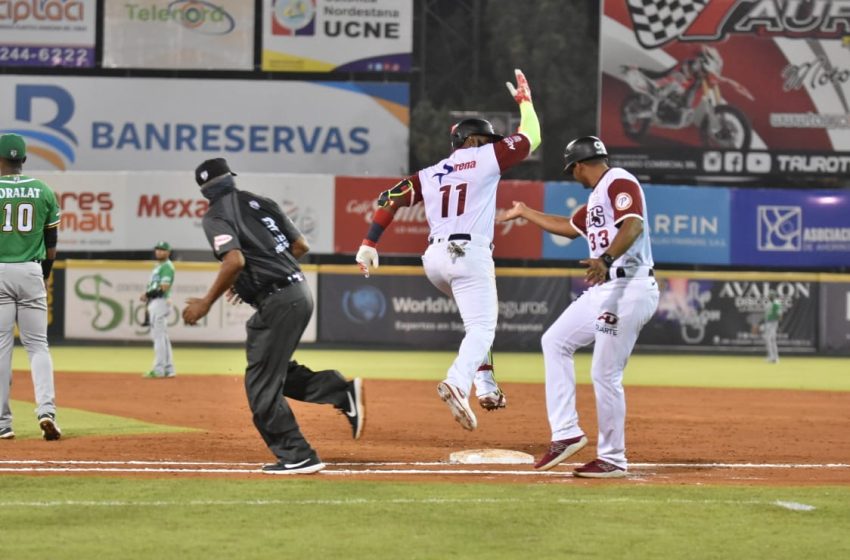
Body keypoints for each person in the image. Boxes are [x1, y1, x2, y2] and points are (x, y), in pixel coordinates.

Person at [355, 69, 541, 431]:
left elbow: (390, 198)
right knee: (483, 328)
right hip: (468, 254)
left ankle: (485, 386)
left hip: (435, 261)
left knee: (477, 325)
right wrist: (525, 102)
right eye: (485, 138)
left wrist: (368, 243)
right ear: (470, 141)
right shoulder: (486, 158)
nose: (491, 143)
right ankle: (458, 383)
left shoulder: (430, 172)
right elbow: (532, 136)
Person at [182, 158, 364, 474]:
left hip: (277, 300)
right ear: (230, 178)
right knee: (277, 371)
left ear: (204, 192)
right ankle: (339, 391)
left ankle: (298, 454)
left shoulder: (215, 215)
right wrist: (265, 272)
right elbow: (300, 245)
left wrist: (206, 303)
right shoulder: (261, 202)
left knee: (260, 384)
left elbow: (234, 260)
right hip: (299, 292)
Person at [498, 136, 659, 478]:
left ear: (580, 165)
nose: (573, 176)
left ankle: (613, 458)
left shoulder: (619, 181)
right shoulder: (596, 199)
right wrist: (526, 213)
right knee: (555, 340)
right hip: (606, 287)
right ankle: (566, 433)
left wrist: (605, 257)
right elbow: (568, 228)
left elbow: (634, 224)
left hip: (627, 286)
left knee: (605, 373)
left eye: (572, 170)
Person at [0, 133, 62, 441]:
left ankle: (2, 424)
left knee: (1, 348)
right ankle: (46, 411)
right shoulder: (43, 190)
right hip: (30, 271)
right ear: (23, 160)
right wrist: (45, 273)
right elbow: (52, 244)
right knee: (38, 346)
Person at [141, 241, 176, 378]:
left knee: (158, 337)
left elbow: (164, 288)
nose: (159, 252)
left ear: (168, 252)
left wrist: (147, 295)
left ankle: (159, 369)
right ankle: (168, 368)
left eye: (163, 250)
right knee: (163, 337)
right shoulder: (158, 266)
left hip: (160, 302)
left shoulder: (167, 266)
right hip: (156, 302)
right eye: (158, 249)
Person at [763, 290, 782, 364]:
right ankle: (774, 357)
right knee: (771, 340)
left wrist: (777, 323)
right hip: (768, 322)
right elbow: (767, 313)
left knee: (769, 339)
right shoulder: (769, 303)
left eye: (770, 295)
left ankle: (773, 357)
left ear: (773, 296)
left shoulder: (776, 303)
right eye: (769, 295)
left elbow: (779, 314)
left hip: (773, 322)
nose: (769, 296)